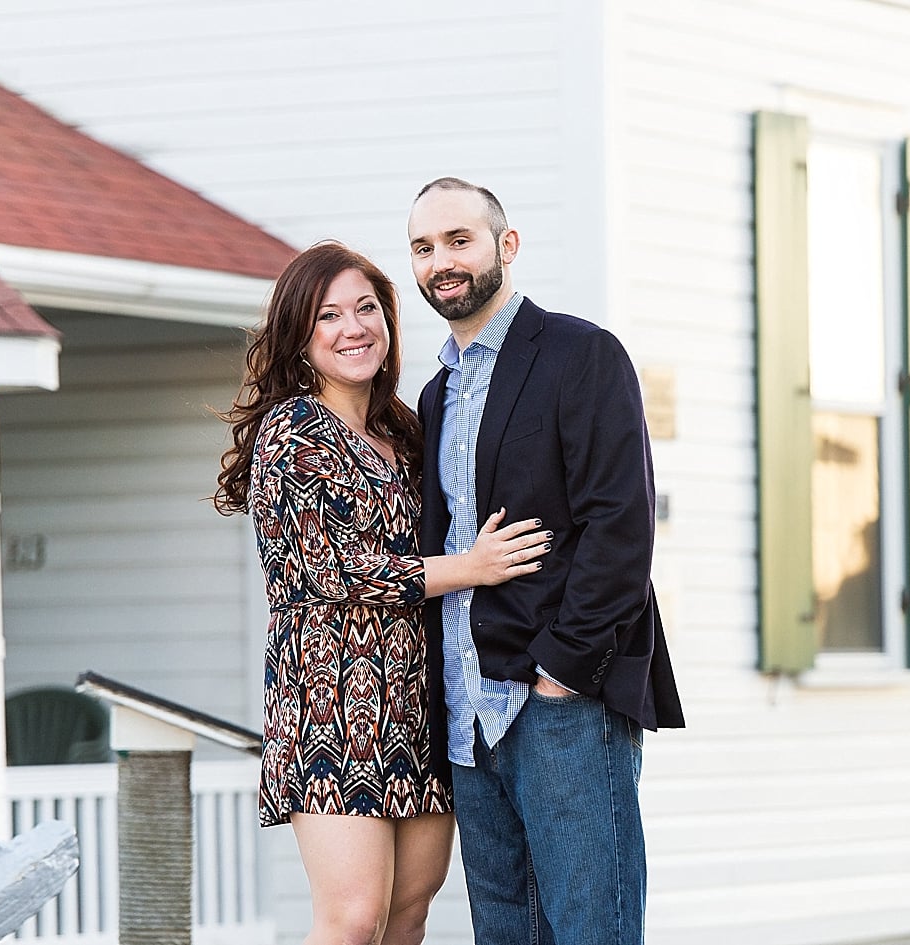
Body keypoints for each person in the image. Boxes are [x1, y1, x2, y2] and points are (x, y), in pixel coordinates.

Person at [213, 241, 551, 945]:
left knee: (407, 912)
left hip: (420, 704)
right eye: (328, 315)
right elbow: (332, 569)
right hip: (333, 706)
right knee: (353, 916)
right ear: (302, 338)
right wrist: (473, 566)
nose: (353, 326)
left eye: (366, 307)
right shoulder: (295, 429)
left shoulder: (407, 429)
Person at [407, 178, 685, 945]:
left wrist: (562, 671)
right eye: (424, 248)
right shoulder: (436, 395)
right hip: (469, 719)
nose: (441, 262)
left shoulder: (580, 354)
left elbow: (620, 527)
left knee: (593, 929)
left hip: (560, 703)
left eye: (459, 239)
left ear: (507, 244)